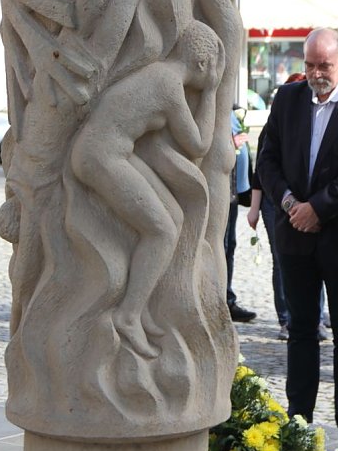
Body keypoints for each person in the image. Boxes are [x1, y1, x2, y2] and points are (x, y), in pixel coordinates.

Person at [256, 28, 338, 430]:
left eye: (324, 65)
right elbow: (267, 158)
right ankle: (298, 418)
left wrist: (319, 209)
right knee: (301, 328)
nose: (316, 73)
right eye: (309, 65)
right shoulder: (288, 99)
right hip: (294, 234)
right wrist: (293, 205)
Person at [70, 20, 225, 359]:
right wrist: (211, 92)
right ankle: (127, 316)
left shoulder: (159, 73)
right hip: (99, 156)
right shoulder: (169, 85)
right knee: (162, 232)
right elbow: (198, 144)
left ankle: (138, 312)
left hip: (112, 152)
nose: (214, 73)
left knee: (174, 216)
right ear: (202, 64)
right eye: (214, 67)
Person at [247, 72, 306, 340]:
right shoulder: (274, 127)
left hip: (306, 203)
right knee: (281, 261)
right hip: (274, 203)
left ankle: (308, 316)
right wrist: (254, 209)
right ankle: (286, 318)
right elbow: (261, 171)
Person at [224, 105, 257, 323]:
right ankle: (222, 300)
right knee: (222, 245)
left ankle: (227, 298)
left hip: (234, 192)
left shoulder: (230, 110)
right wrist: (231, 145)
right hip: (221, 191)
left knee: (230, 245)